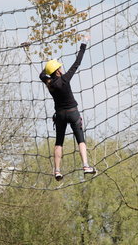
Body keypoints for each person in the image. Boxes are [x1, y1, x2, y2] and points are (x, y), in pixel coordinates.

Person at [39, 42, 96, 181]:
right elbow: (77, 62)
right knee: (80, 140)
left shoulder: (49, 83)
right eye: (59, 67)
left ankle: (57, 171)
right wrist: (83, 45)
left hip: (59, 115)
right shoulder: (65, 79)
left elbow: (42, 75)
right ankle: (86, 165)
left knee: (59, 142)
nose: (61, 68)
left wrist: (48, 69)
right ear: (58, 71)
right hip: (72, 113)